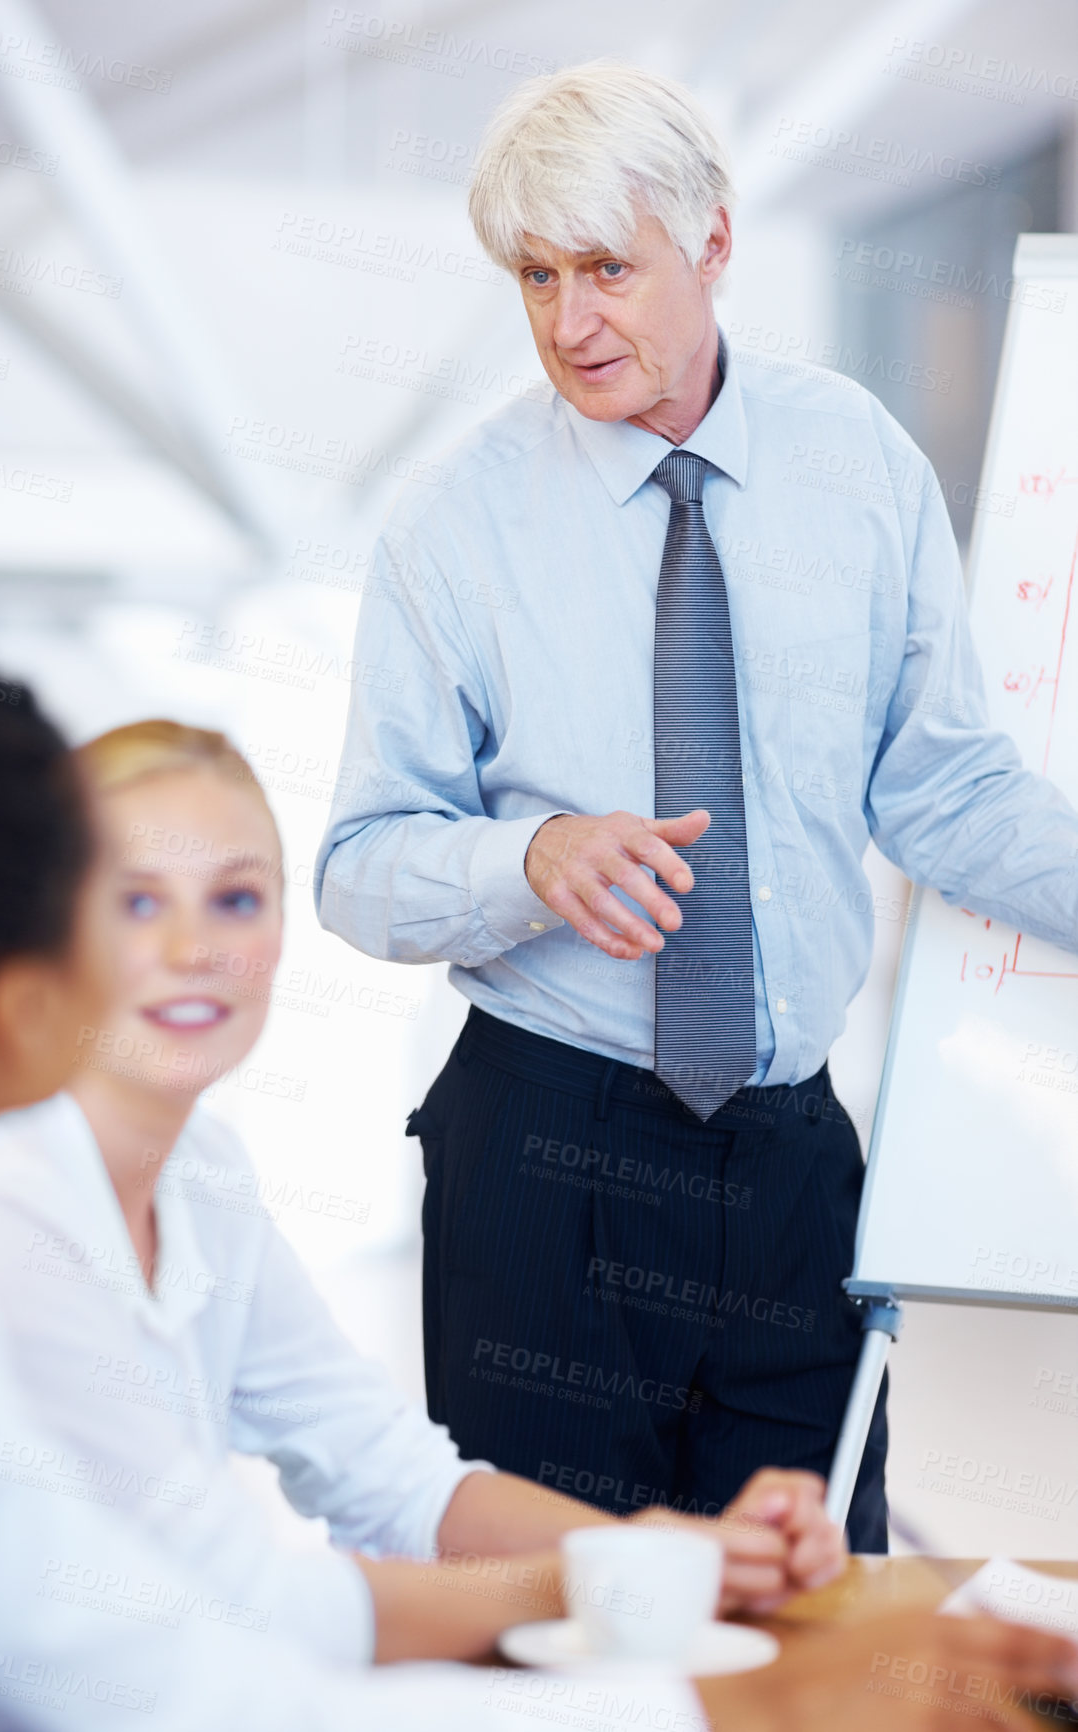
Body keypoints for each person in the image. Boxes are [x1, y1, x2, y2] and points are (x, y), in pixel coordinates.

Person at [0, 651, 1075, 1732]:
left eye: (235, 898)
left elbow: (363, 1487)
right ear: (41, 944)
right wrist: (733, 1701)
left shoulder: (200, 1171)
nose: (191, 948)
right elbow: (201, 1671)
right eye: (134, 901)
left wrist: (664, 1569)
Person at [314, 60, 1078, 1553]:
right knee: (554, 1635)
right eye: (534, 276)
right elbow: (356, 865)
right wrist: (526, 858)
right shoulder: (451, 525)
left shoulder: (854, 462)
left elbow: (939, 785)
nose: (567, 321)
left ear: (714, 243)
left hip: (792, 1163)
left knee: (807, 1621)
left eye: (607, 266)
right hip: (544, 1159)